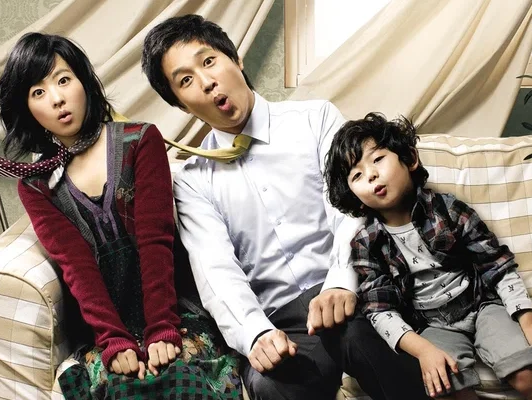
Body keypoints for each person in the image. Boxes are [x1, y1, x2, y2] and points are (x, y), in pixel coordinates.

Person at [0, 32, 240, 399]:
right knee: (121, 389)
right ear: (27, 108)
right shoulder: (36, 185)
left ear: (84, 81)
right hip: (107, 330)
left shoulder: (140, 141)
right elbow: (76, 267)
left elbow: (155, 240)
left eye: (64, 80)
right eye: (38, 92)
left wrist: (162, 328)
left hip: (173, 312)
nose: (57, 98)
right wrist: (113, 340)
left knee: (181, 381)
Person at [141, 14, 428, 400]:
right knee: (269, 386)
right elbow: (216, 270)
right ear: (181, 103)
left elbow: (351, 210)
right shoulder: (192, 180)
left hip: (354, 288)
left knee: (361, 336)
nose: (207, 82)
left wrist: (342, 282)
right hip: (284, 322)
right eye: (186, 81)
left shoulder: (315, 119)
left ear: (235, 59)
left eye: (208, 61)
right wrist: (255, 334)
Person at [323, 112, 532, 399]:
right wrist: (423, 351)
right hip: (432, 325)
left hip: (482, 305)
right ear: (353, 195)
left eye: (377, 159)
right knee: (448, 387)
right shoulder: (366, 244)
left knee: (525, 374)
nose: (371, 175)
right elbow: (380, 310)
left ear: (409, 159)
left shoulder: (448, 210)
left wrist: (528, 322)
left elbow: (497, 265)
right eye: (357, 175)